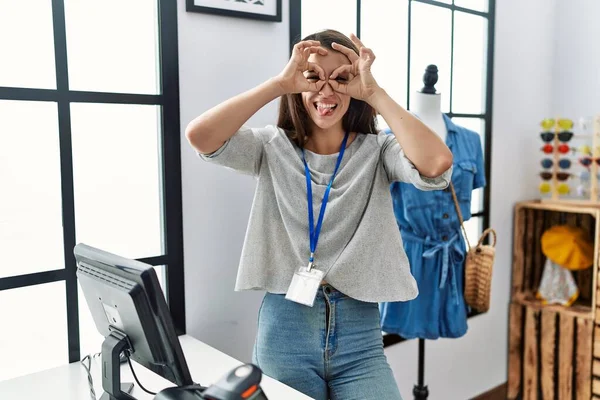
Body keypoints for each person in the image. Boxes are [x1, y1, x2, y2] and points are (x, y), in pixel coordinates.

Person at [185, 29, 453, 400]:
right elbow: (200, 136)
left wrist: (375, 93)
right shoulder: (269, 146)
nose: (327, 92)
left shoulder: (379, 151)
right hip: (286, 329)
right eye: (313, 77)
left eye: (342, 79)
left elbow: (437, 164)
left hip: (359, 334)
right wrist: (279, 84)